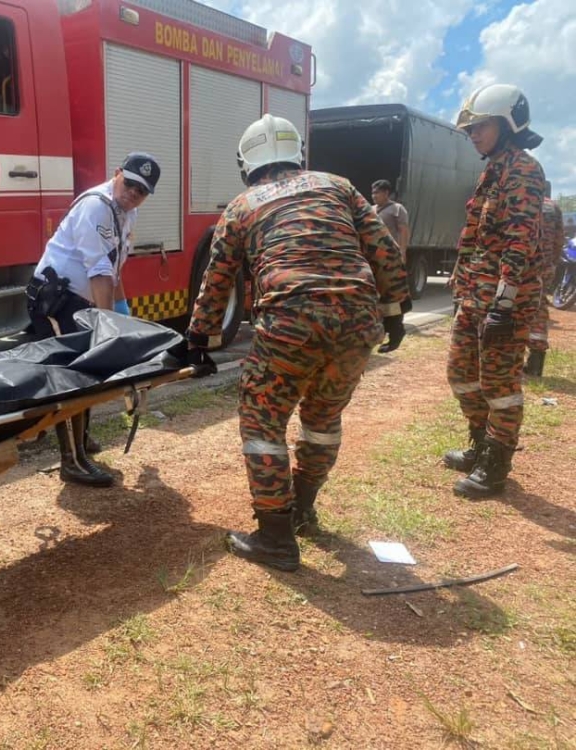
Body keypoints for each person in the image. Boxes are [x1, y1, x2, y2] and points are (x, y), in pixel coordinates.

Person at [187, 114, 410, 571]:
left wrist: (199, 338)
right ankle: (303, 508)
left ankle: (274, 537)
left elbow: (217, 281)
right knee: (323, 418)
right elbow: (383, 249)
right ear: (297, 155)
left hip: (291, 320)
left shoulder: (242, 206)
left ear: (246, 163)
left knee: (263, 422)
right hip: (357, 320)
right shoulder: (339, 186)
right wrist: (395, 313)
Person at [26, 152, 160, 487]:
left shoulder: (126, 213)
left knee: (84, 372)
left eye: (140, 191)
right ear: (117, 174)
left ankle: (79, 439)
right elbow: (98, 271)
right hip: (55, 299)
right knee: (75, 376)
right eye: (129, 184)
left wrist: (123, 311)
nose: (132, 193)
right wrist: (107, 326)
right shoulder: (98, 206)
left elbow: (113, 270)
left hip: (77, 300)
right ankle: (73, 460)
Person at [443, 84, 546, 498]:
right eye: (470, 128)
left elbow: (520, 239)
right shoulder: (494, 169)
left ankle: (497, 465)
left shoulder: (523, 169)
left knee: (499, 384)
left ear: (507, 124)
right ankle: (480, 443)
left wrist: (504, 303)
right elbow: (476, 236)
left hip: (505, 300)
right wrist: (459, 278)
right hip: (474, 295)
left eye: (480, 126)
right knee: (461, 374)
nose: (473, 135)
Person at [524, 182, 565, 376]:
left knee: (508, 308)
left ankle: (506, 362)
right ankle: (535, 361)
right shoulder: (553, 207)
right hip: (544, 267)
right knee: (538, 308)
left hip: (519, 265)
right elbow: (559, 240)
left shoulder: (520, 202)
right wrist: (551, 264)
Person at [370, 179, 410, 261]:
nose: (374, 196)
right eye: (373, 193)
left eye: (377, 193)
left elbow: (404, 231)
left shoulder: (397, 209)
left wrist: (402, 252)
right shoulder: (370, 210)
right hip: (373, 252)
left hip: (390, 253)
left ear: (386, 193)